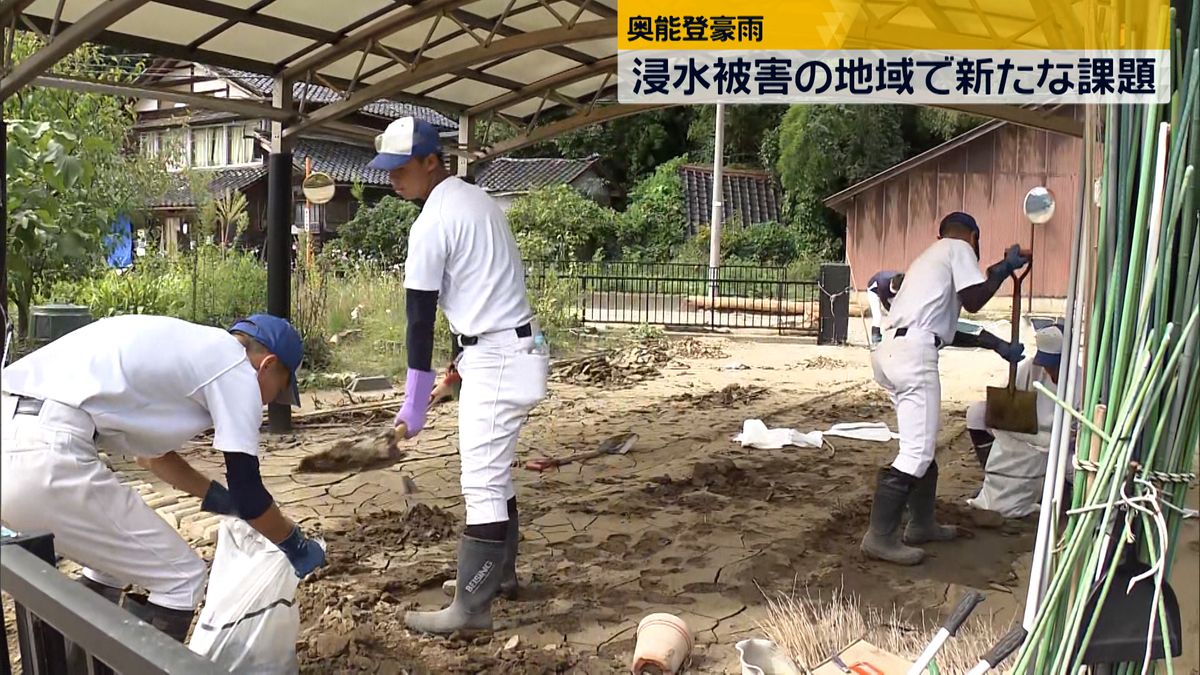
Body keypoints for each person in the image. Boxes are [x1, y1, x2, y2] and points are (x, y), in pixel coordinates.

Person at [0, 314, 326, 642]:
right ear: (267, 365)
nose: (269, 403)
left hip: (15, 430)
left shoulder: (193, 347)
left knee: (110, 567)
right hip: (43, 451)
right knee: (182, 580)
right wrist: (294, 543)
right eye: (279, 391)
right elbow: (250, 493)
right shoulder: (239, 371)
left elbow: (153, 458)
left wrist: (217, 499)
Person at [367, 116, 550, 635]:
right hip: (505, 347)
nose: (392, 179)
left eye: (401, 168)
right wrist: (455, 370)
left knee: (482, 481)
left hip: (498, 356)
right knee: (496, 472)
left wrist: (414, 404)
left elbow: (419, 317)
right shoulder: (476, 200)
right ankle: (501, 577)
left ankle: (471, 611)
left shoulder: (432, 221)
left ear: (431, 161)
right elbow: (473, 292)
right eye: (388, 169)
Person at [863, 211, 1031, 566]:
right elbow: (974, 300)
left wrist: (994, 343)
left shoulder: (929, 261)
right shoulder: (959, 248)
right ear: (973, 236)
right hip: (913, 356)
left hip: (890, 352)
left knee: (921, 444)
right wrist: (1001, 269)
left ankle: (922, 524)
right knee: (916, 454)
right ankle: (879, 538)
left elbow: (948, 330)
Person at [965, 323, 1063, 517]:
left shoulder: (1080, 379)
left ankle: (1059, 493)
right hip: (1027, 428)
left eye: (1054, 364)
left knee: (1070, 466)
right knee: (976, 413)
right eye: (1046, 363)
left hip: (1058, 440)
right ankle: (996, 482)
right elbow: (1007, 398)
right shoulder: (1032, 368)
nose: (1049, 369)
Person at [867, 270, 904, 347]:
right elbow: (885, 303)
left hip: (889, 293)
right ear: (891, 282)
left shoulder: (905, 283)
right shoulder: (883, 282)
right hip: (875, 291)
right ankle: (875, 339)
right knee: (877, 316)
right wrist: (891, 313)